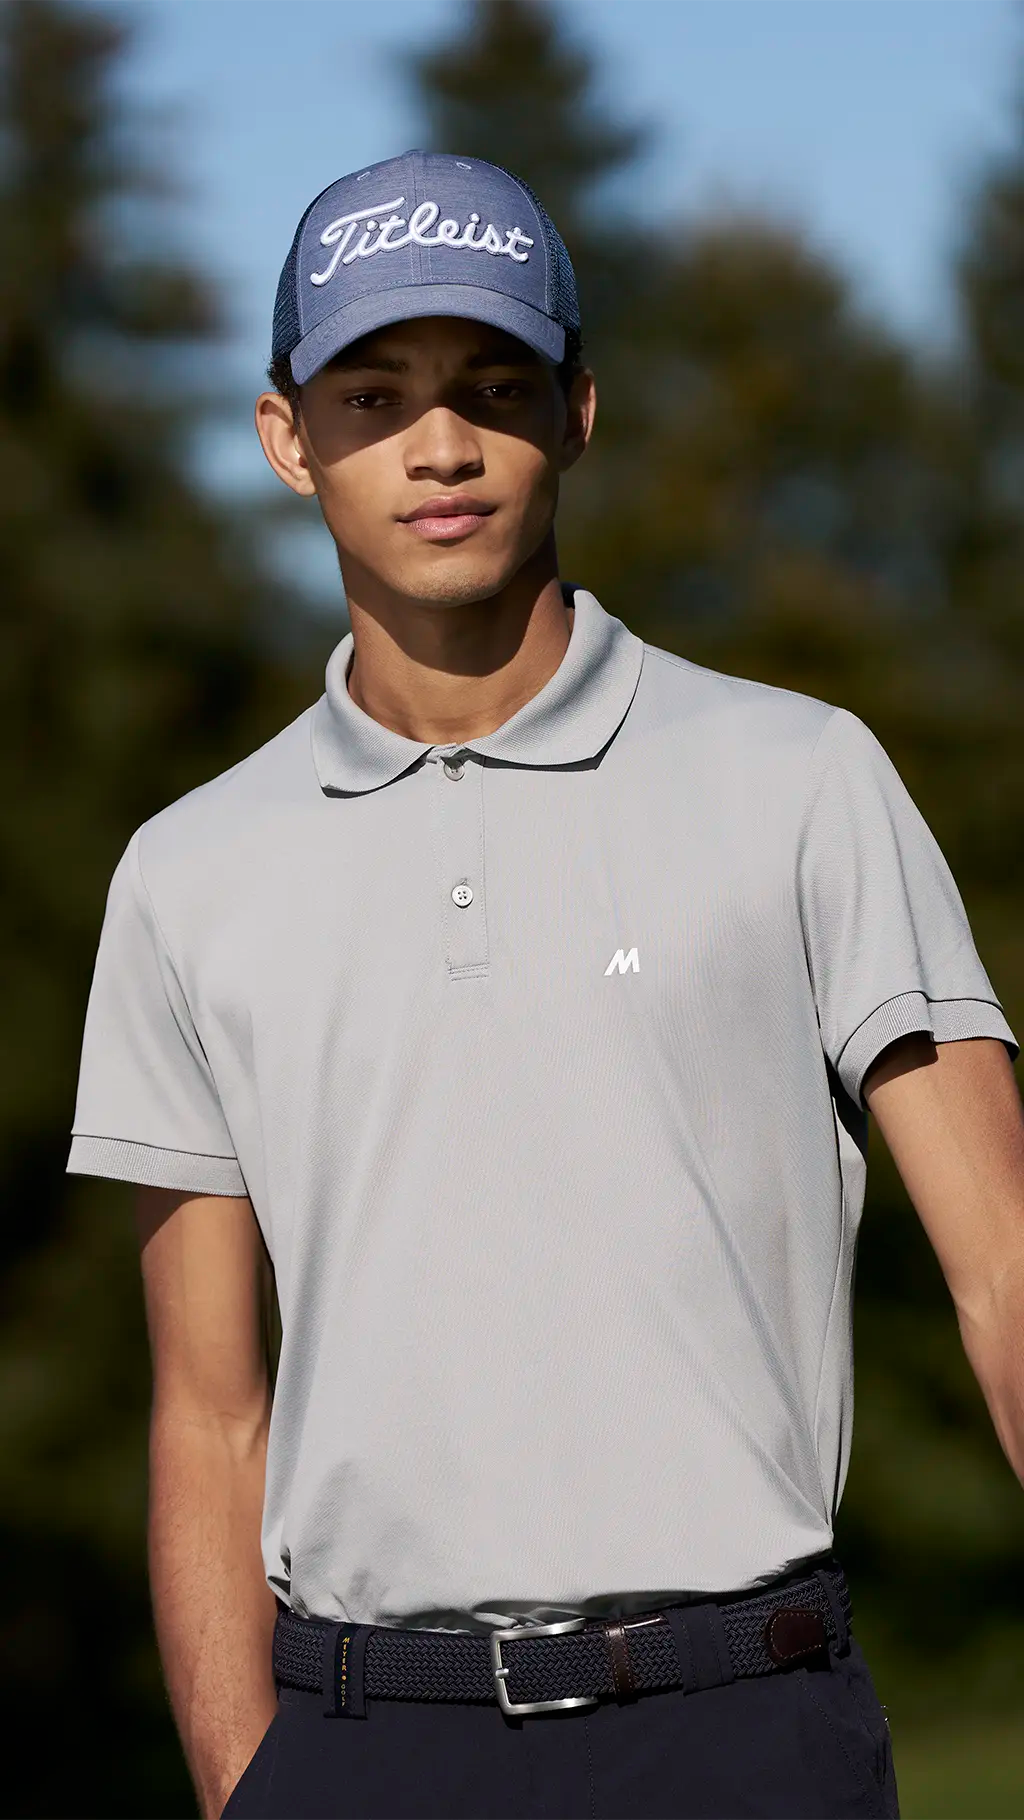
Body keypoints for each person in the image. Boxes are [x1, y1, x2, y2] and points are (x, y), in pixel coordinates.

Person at [67, 150, 1024, 1820]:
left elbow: (1006, 1267)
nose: (440, 447)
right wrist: (245, 1788)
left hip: (744, 1729)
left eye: (493, 388)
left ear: (576, 412)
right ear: (287, 437)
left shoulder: (803, 778)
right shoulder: (185, 875)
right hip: (363, 1744)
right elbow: (209, 1416)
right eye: (375, 396)